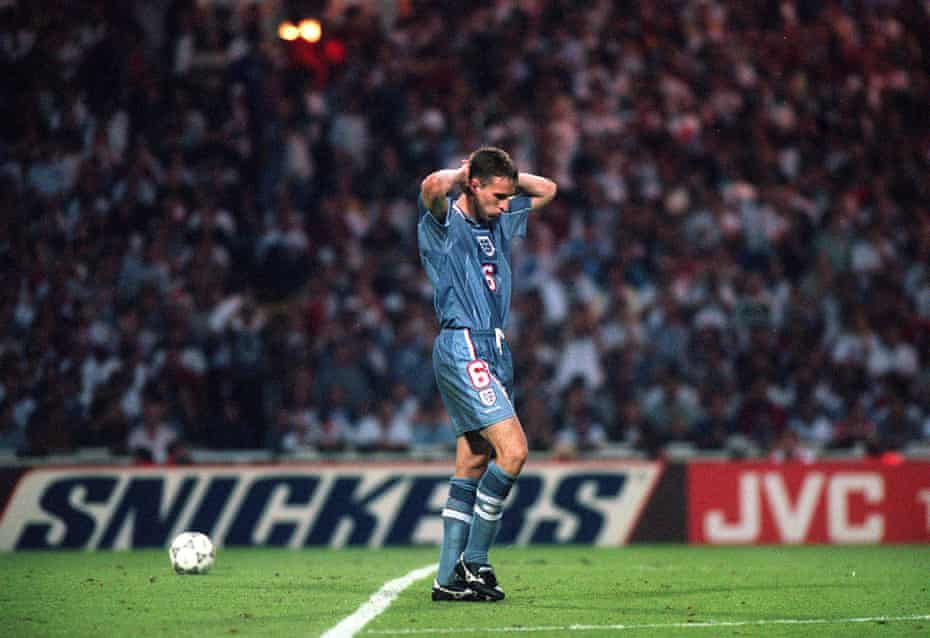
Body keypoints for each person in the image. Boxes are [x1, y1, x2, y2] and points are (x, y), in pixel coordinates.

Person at [417, 147, 557, 602]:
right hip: (464, 345)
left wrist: (503, 174)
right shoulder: (444, 223)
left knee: (474, 461)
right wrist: (466, 170)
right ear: (473, 185)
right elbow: (431, 187)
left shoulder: (496, 217)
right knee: (514, 451)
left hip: (495, 347)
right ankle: (475, 561)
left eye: (507, 198)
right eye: (498, 196)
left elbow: (548, 190)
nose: (505, 205)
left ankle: (446, 578)